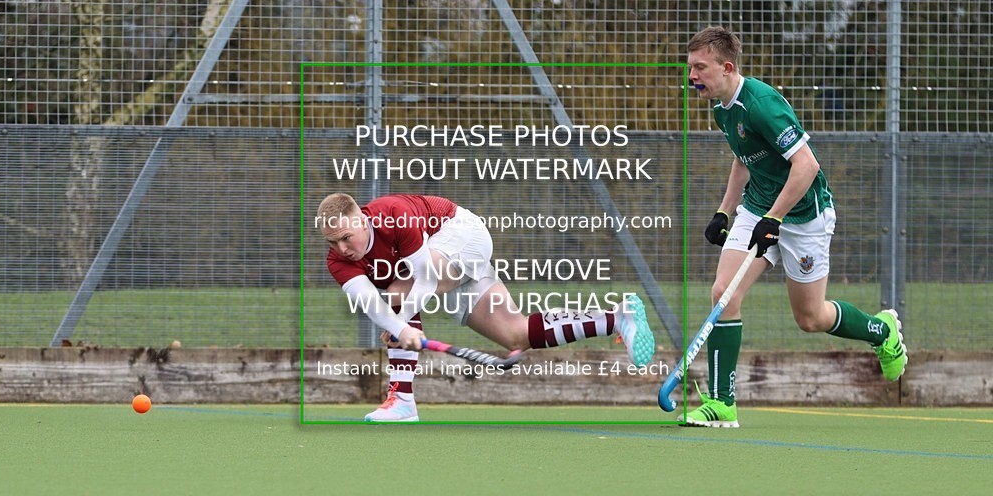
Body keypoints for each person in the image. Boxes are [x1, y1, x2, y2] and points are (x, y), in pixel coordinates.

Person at [681, 26, 907, 427]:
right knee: (723, 293)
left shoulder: (762, 104)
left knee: (810, 318)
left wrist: (775, 219)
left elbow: (807, 165)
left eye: (700, 67)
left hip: (803, 215)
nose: (692, 76)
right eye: (690, 67)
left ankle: (881, 330)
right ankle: (722, 404)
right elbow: (744, 158)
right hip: (758, 208)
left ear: (727, 67)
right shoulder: (720, 106)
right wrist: (724, 211)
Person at [318, 192, 655, 422]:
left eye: (347, 237)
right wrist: (399, 327)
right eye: (334, 242)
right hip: (440, 267)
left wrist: (401, 324)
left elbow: (424, 281)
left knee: (398, 291)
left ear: (362, 219)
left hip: (461, 235)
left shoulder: (394, 215)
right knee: (516, 335)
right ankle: (615, 319)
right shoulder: (339, 260)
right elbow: (368, 303)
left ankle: (401, 396)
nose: (342, 248)